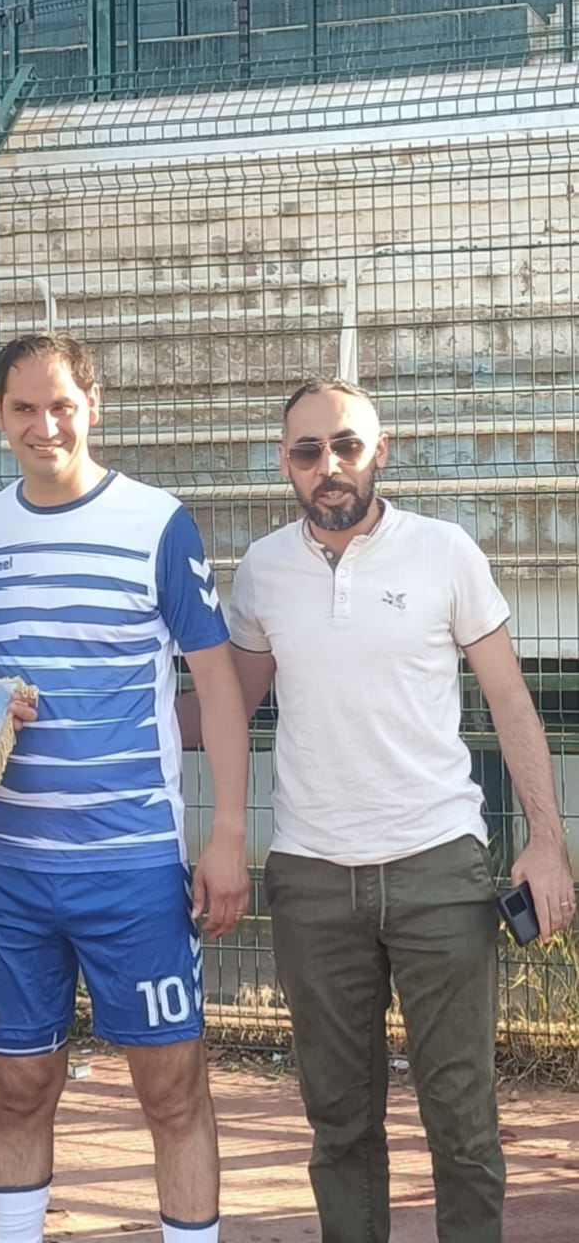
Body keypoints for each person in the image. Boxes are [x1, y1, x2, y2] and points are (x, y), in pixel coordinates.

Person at [181, 377, 576, 1243]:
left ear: (380, 451)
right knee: (339, 1122)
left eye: (346, 445)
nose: (329, 466)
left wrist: (547, 841)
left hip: (439, 868)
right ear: (285, 463)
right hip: (313, 878)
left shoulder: (445, 551)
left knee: (461, 1118)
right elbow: (226, 708)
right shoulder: (264, 571)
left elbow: (511, 700)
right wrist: (94, 711)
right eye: (308, 450)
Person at [0, 333, 250, 1243]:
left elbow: (218, 684)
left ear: (94, 406)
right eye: (23, 409)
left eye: (62, 406)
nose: (44, 426)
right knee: (19, 1088)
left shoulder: (158, 523)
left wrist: (228, 833)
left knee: (171, 1090)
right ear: (0, 415)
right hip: (9, 867)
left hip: (131, 865)